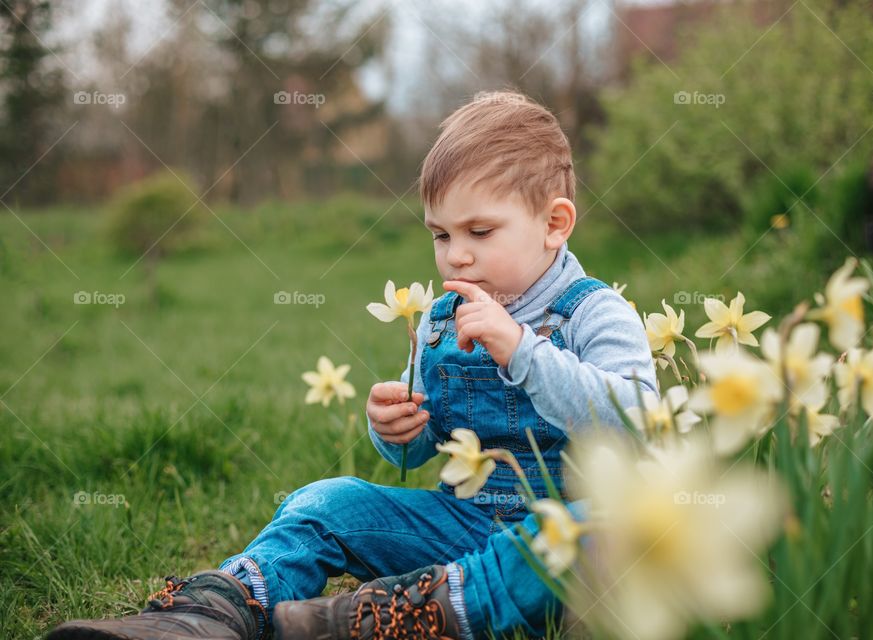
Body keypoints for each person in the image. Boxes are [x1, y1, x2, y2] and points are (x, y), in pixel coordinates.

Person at [46, 90, 657, 640]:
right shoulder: (441, 320)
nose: (457, 258)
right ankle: (213, 612)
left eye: (480, 231)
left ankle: (400, 615)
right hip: (459, 524)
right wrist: (395, 431)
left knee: (605, 529)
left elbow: (636, 418)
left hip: (559, 527)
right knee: (328, 501)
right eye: (441, 235)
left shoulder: (595, 313)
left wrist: (522, 349)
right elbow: (419, 453)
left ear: (554, 224)